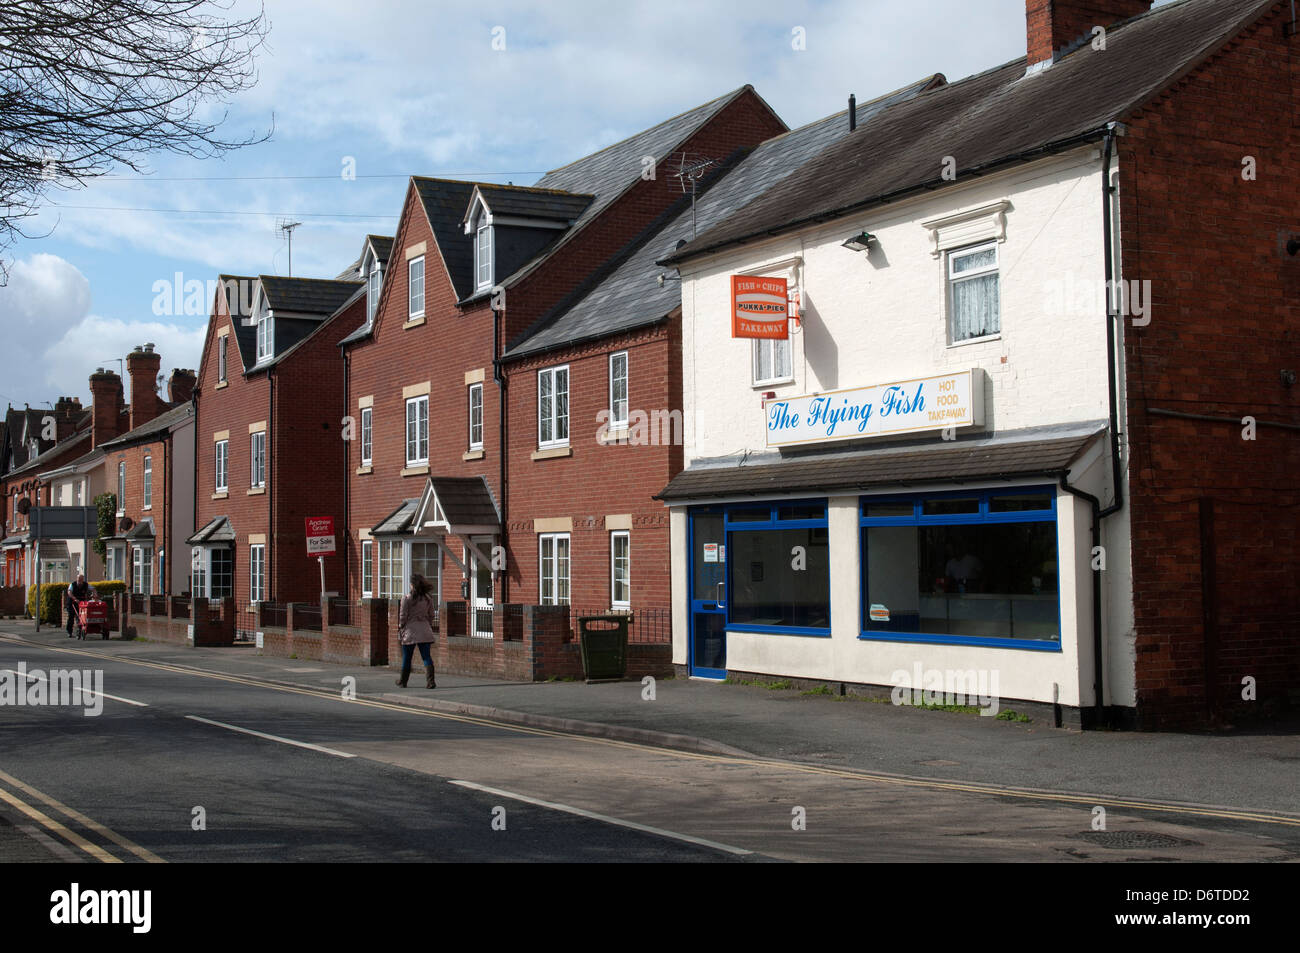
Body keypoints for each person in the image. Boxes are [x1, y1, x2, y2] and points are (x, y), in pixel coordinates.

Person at [396, 573, 437, 689]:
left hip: (410, 631)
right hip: (424, 630)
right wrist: (426, 624)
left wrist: (401, 626)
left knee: (407, 657)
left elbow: (403, 616)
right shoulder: (428, 599)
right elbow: (432, 615)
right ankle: (431, 681)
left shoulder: (406, 599)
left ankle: (403, 681)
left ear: (412, 585)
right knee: (426, 656)